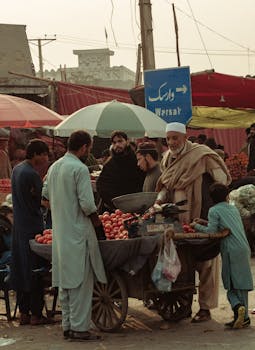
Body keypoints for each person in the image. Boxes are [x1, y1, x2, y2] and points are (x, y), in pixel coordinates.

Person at [152, 122, 231, 323]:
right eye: (168, 138)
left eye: (175, 138)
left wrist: (213, 208)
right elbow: (166, 184)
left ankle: (205, 308)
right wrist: (159, 201)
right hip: (178, 220)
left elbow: (221, 180)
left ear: (185, 137)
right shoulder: (167, 158)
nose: (171, 142)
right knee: (183, 263)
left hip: (201, 216)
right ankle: (183, 304)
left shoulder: (202, 155)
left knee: (206, 263)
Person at [42, 130, 106, 342]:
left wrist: (62, 210)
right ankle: (80, 328)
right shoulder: (79, 169)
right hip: (78, 232)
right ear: (85, 147)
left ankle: (68, 326)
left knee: (66, 282)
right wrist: (98, 224)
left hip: (61, 233)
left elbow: (44, 198)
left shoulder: (54, 167)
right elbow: (88, 205)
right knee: (80, 282)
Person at [190, 183, 253, 329]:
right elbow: (221, 225)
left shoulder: (213, 210)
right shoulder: (233, 208)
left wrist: (196, 226)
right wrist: (204, 222)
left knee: (230, 283)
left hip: (231, 249)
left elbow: (211, 231)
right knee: (241, 283)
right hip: (244, 248)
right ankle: (245, 318)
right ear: (227, 195)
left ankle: (237, 307)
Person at [11, 139, 51, 326]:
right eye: (44, 154)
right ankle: (36, 314)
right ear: (35, 154)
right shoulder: (31, 174)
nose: (45, 159)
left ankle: (24, 313)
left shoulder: (17, 170)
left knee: (22, 269)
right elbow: (41, 201)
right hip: (32, 227)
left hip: (19, 227)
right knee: (36, 270)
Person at [96, 130, 145, 212]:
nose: (117, 145)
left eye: (120, 141)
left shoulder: (136, 160)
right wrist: (114, 203)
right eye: (114, 143)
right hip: (114, 210)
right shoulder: (110, 164)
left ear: (127, 141)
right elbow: (101, 185)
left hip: (135, 207)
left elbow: (142, 181)